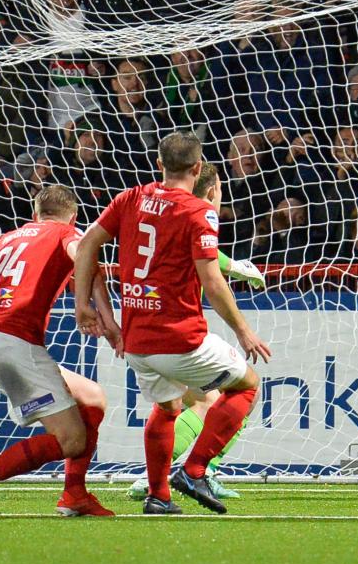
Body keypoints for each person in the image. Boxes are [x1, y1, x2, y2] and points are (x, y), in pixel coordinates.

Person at [73, 131, 272, 515]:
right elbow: (211, 280)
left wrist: (85, 305)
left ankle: (158, 496)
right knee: (247, 385)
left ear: (159, 164)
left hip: (136, 341)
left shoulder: (130, 198)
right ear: (197, 169)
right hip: (180, 338)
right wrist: (243, 331)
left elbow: (86, 245)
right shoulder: (199, 211)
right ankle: (195, 470)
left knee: (168, 408)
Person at [0, 184, 118, 518]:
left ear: (35, 214)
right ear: (73, 216)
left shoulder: (4, 241)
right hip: (17, 343)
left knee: (92, 397)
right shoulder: (66, 233)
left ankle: (75, 494)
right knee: (72, 440)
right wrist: (95, 313)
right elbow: (85, 256)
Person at [125, 161, 264, 502]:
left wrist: (235, 267)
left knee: (189, 404)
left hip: (140, 331)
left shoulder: (161, 212)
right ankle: (183, 474)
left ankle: (169, 480)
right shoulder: (198, 215)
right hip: (173, 337)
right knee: (221, 399)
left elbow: (204, 255)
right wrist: (238, 273)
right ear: (213, 190)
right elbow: (209, 267)